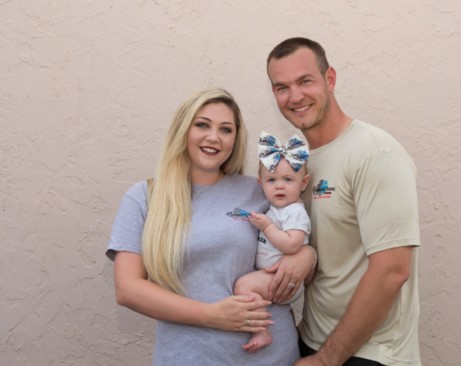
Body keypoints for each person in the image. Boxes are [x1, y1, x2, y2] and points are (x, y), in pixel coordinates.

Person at [106, 87, 316, 365]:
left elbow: (299, 246)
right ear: (183, 130)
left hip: (274, 356)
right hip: (190, 357)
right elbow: (128, 290)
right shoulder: (144, 198)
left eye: (226, 129)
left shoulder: (258, 191)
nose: (214, 137)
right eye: (202, 125)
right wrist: (210, 315)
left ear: (235, 139)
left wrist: (306, 256)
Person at [266, 37, 422, 366]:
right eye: (282, 87)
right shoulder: (298, 165)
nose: (295, 96)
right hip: (313, 341)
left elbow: (392, 270)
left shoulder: (374, 152)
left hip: (369, 354)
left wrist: (327, 359)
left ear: (330, 78)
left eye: (305, 81)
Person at [234, 132, 312, 353]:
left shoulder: (295, 212)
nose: (279, 186)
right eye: (272, 180)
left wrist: (267, 226)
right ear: (261, 183)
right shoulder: (277, 209)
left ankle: (261, 331)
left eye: (288, 180)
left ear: (304, 183)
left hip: (282, 279)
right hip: (273, 275)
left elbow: (293, 245)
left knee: (243, 286)